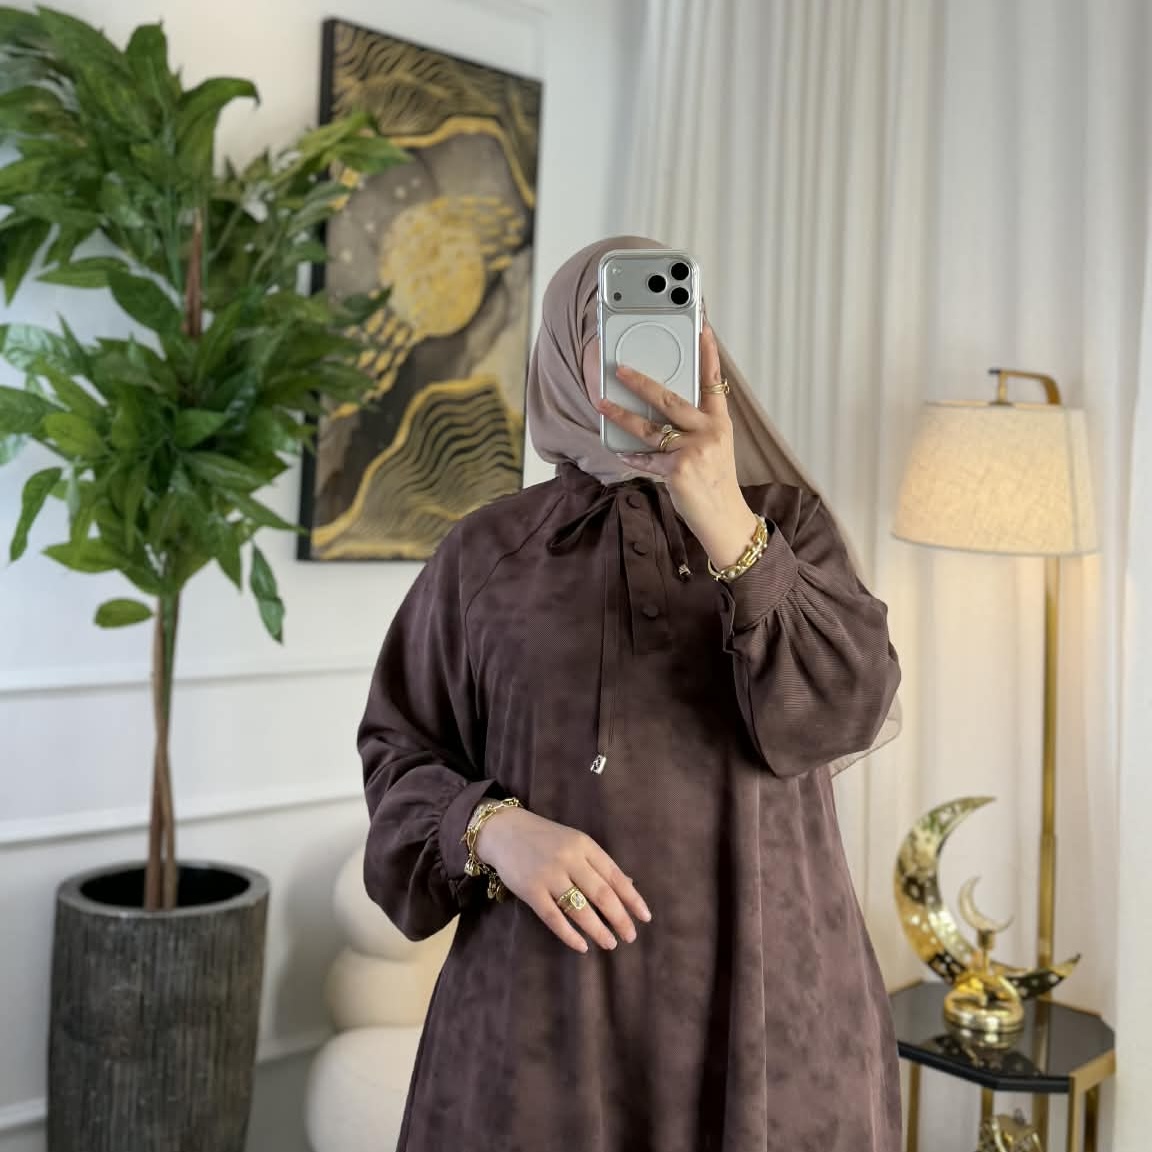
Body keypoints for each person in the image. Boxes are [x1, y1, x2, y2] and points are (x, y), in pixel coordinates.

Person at [359, 236, 904, 1152]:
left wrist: (727, 523)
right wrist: (493, 829)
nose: (636, 359)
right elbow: (397, 755)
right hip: (541, 1032)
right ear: (560, 359)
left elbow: (848, 708)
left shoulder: (786, 523)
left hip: (774, 1019)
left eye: (668, 326)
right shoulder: (483, 557)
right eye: (607, 329)